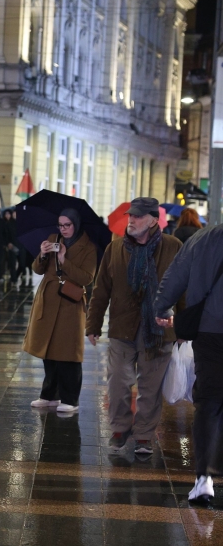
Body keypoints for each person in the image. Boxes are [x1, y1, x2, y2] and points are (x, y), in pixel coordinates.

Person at [86, 197, 182, 455]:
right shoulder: (115, 249)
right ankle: (120, 428)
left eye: (138, 216)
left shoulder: (173, 247)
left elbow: (185, 290)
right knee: (117, 380)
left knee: (150, 388)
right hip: (122, 327)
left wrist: (184, 327)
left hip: (159, 330)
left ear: (153, 220)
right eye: (130, 215)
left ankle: (143, 436)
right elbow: (101, 289)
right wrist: (93, 323)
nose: (132, 220)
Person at [154, 223, 222, 502]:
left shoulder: (203, 238)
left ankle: (204, 479)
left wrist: (161, 306)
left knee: (208, 401)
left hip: (209, 330)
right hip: (210, 328)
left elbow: (176, 275)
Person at [24, 209, 97, 413]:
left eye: (67, 225)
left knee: (68, 353)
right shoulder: (52, 239)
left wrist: (65, 260)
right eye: (60, 225)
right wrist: (43, 254)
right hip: (48, 300)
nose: (63, 229)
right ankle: (49, 395)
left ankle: (70, 399)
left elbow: (87, 278)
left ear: (76, 224)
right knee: (48, 350)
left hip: (69, 302)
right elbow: (37, 269)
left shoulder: (88, 247)